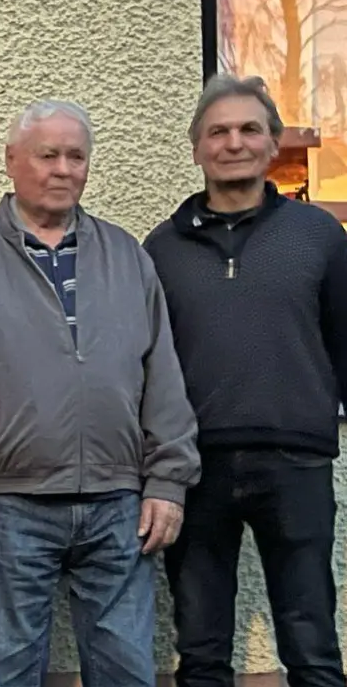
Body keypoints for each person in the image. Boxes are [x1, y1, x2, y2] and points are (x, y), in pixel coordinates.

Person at [0, 98, 202, 687]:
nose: (63, 168)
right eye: (48, 155)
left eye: (76, 156)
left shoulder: (128, 256)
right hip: (5, 506)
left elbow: (163, 375)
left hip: (121, 503)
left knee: (125, 670)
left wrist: (169, 480)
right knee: (10, 672)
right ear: (12, 161)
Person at [145, 74, 347, 687]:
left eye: (249, 129)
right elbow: (148, 362)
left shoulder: (320, 236)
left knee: (312, 644)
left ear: (272, 143)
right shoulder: (160, 250)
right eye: (219, 131)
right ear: (197, 147)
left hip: (297, 460)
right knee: (202, 651)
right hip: (196, 465)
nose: (234, 142)